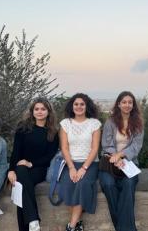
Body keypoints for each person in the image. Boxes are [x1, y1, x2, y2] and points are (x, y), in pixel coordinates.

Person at [7, 98, 59, 231]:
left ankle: (32, 220)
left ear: (48, 112)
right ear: (32, 111)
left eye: (43, 109)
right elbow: (16, 152)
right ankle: (33, 221)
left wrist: (31, 163)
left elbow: (49, 156)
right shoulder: (23, 128)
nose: (40, 112)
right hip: (20, 168)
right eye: (36, 109)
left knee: (21, 186)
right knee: (21, 174)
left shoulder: (53, 131)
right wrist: (11, 170)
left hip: (39, 169)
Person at [99, 91, 144, 231]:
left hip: (129, 163)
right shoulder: (110, 122)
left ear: (133, 105)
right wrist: (115, 157)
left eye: (130, 102)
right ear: (118, 104)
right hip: (109, 162)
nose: (127, 105)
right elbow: (106, 144)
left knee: (129, 184)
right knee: (108, 184)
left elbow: (136, 146)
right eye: (124, 102)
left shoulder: (138, 122)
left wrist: (121, 155)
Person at [58, 93, 101, 231]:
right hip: (70, 162)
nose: (79, 107)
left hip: (90, 163)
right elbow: (64, 147)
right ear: (72, 106)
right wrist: (71, 167)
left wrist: (83, 168)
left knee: (82, 184)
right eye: (76, 104)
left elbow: (95, 148)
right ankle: (78, 223)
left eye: (82, 104)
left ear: (87, 106)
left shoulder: (94, 123)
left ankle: (71, 226)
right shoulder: (65, 124)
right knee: (68, 185)